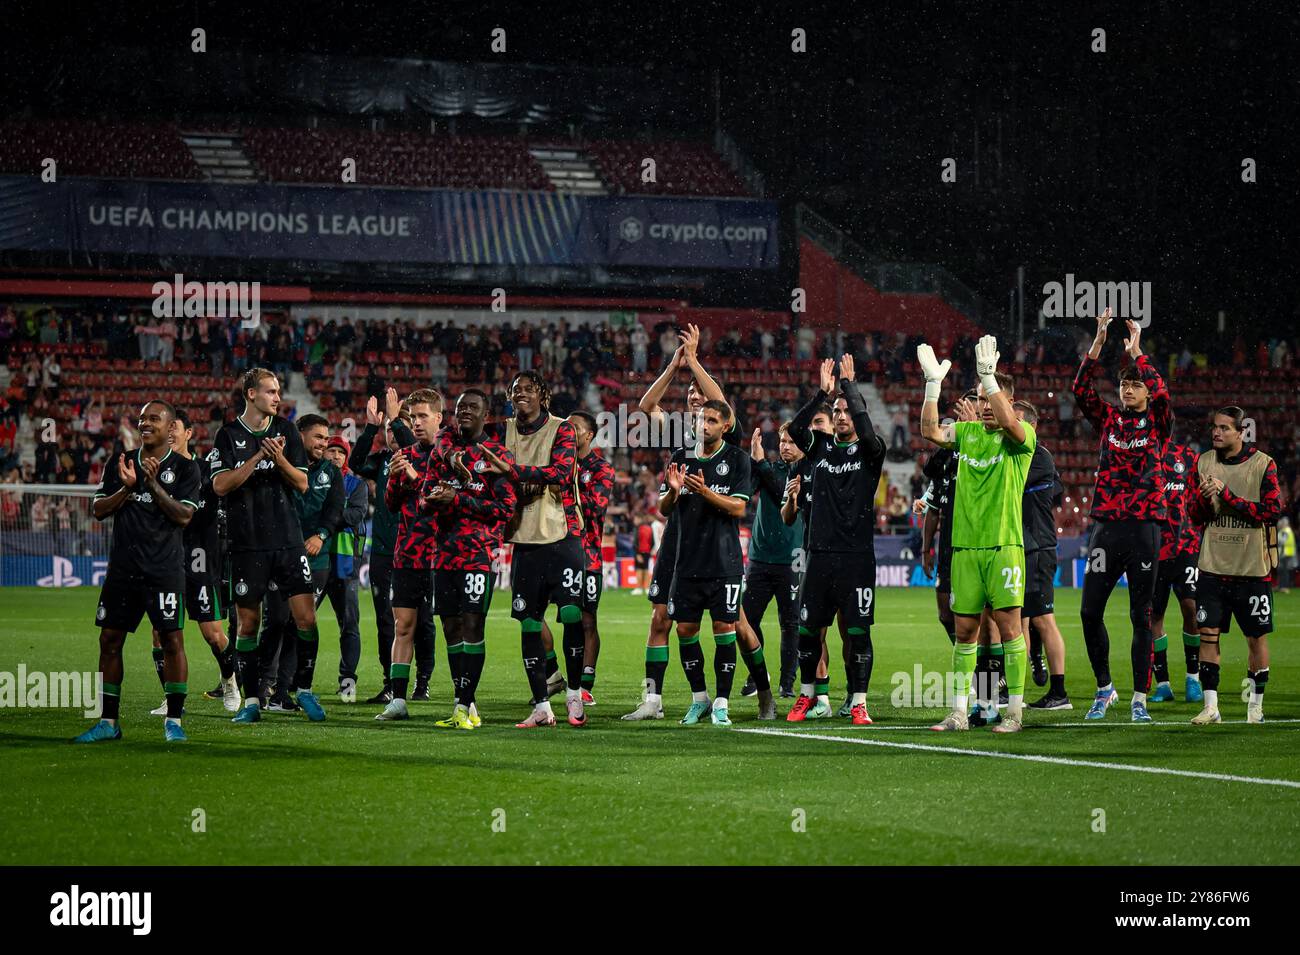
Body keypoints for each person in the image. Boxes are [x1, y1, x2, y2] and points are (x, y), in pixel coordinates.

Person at [919, 336, 1035, 733]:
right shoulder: (967, 436)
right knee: (964, 633)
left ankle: (1014, 712)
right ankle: (958, 712)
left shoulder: (1022, 440)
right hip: (965, 551)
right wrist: (932, 386)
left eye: (992, 399)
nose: (986, 406)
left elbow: (1008, 421)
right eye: (982, 400)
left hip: (1003, 549)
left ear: (1007, 402)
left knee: (1008, 630)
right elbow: (929, 429)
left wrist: (989, 378)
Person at [74, 401, 201, 744]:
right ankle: (108, 722)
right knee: (109, 641)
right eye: (142, 418)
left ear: (171, 427)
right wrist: (128, 488)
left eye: (154, 419)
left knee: (172, 641)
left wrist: (152, 484)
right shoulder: (121, 462)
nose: (145, 423)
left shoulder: (187, 470)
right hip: (123, 571)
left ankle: (174, 721)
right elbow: (99, 508)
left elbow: (184, 516)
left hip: (164, 571)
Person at [1072, 308, 1172, 723]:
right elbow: (1081, 390)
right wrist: (1098, 342)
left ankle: (1140, 699)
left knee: (1141, 615)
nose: (1129, 389)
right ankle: (1104, 688)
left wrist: (1138, 352)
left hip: (1145, 528)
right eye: (1125, 384)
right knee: (1089, 611)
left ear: (1146, 392)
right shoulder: (1110, 419)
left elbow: (1164, 394)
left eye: (1136, 385)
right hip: (1106, 529)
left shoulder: (1158, 421)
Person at [209, 367, 325, 725]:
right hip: (247, 544)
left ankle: (303, 689)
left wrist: (280, 459)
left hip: (288, 541)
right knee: (247, 625)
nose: (278, 397)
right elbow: (220, 486)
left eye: (278, 391)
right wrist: (259, 457)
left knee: (306, 618)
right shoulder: (227, 435)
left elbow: (303, 483)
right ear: (251, 394)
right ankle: (252, 699)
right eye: (271, 392)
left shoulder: (287, 431)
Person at [480, 371, 585, 728]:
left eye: (528, 389)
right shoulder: (501, 430)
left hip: (562, 535)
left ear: (543, 395)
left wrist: (509, 471)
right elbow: (470, 444)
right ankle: (542, 705)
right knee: (528, 623)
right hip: (524, 539)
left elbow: (558, 472)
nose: (520, 394)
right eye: (514, 390)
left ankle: (574, 695)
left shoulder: (563, 429)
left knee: (571, 615)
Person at [786, 356, 887, 725]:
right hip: (819, 556)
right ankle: (807, 695)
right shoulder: (821, 447)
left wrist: (851, 387)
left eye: (846, 412)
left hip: (857, 557)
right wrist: (822, 394)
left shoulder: (871, 452)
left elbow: (865, 427)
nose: (841, 416)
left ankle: (859, 702)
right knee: (809, 630)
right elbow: (795, 427)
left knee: (858, 631)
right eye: (837, 411)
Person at [421, 389, 517, 729]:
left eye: (472, 407)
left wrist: (458, 500)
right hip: (443, 553)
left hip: (477, 554)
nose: (464, 412)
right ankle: (466, 702)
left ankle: (462, 704)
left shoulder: (494, 455)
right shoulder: (441, 452)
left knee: (473, 625)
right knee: (449, 627)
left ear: (485, 415)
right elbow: (424, 496)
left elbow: (505, 509)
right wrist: (434, 498)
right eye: (460, 407)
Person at [658, 400, 757, 725]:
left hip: (723, 561)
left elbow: (738, 508)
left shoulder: (738, 459)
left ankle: (722, 704)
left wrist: (705, 492)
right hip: (686, 562)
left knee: (723, 628)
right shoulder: (680, 458)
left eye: (712, 420)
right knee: (685, 630)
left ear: (725, 426)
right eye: (701, 418)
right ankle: (699, 698)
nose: (705, 424)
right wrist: (673, 492)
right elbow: (664, 508)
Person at [1186, 407, 1283, 725]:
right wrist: (1203, 499)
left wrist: (1227, 495)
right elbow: (1195, 516)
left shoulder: (1263, 464)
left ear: (1241, 432)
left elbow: (1270, 511)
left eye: (1225, 428)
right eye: (1214, 427)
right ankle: (1211, 707)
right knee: (1208, 636)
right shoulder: (1202, 463)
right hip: (1213, 566)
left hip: (1252, 569)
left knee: (1255, 639)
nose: (1216, 433)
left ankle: (1255, 707)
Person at [146, 408, 240, 716]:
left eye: (176, 428)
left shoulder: (203, 469)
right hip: (166, 558)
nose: (170, 432)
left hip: (200, 558)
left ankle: (230, 680)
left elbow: (214, 507)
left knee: (212, 633)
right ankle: (170, 698)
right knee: (161, 632)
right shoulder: (155, 469)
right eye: (167, 427)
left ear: (189, 433)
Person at [257, 413, 344, 712]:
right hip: (281, 554)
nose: (324, 443)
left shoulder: (332, 473)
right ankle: (260, 688)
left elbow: (335, 510)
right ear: (300, 435)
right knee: (275, 621)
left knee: (299, 624)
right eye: (318, 437)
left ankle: (283, 692)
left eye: (326, 437)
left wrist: (321, 535)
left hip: (316, 560)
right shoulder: (283, 468)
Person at [348, 391, 429, 704]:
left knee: (421, 620)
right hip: (384, 554)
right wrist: (371, 428)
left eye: (397, 430)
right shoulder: (382, 462)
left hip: (416, 552)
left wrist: (396, 419)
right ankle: (390, 682)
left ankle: (422, 682)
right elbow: (355, 462)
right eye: (388, 432)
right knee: (386, 621)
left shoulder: (422, 459)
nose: (391, 435)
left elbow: (414, 449)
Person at [375, 390, 445, 722]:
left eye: (422, 416)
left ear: (439, 418)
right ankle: (398, 700)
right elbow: (391, 503)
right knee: (403, 625)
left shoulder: (449, 455)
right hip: (407, 554)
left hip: (444, 556)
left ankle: (464, 699)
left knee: (454, 626)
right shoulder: (403, 454)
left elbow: (438, 496)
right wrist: (395, 479)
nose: (416, 422)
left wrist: (413, 477)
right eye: (412, 416)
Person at [1014, 400, 1072, 712]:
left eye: (1018, 421)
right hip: (1020, 546)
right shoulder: (1024, 454)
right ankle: (1013, 691)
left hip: (1036, 547)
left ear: (1033, 427)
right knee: (1019, 620)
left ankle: (1059, 692)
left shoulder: (1038, 457)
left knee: (1042, 619)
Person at [742, 423, 804, 698]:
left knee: (790, 624)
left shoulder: (809, 473)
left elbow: (782, 492)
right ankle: (758, 675)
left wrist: (761, 464)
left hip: (793, 559)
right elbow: (746, 491)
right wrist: (752, 463)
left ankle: (787, 684)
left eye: (791, 442)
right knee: (746, 619)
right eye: (782, 440)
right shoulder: (769, 470)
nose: (785, 446)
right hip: (759, 557)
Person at [1147, 440, 1205, 704]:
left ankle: (1193, 679)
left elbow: (1201, 500)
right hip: (1153, 550)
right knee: (1153, 616)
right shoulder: (1140, 454)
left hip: (1186, 545)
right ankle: (1163, 684)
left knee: (1191, 609)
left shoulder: (1187, 456)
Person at [569, 411, 615, 706]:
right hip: (553, 551)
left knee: (586, 621)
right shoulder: (555, 462)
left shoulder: (601, 468)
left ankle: (585, 683)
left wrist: (564, 488)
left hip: (587, 557)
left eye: (573, 428)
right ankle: (551, 675)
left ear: (588, 435)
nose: (567, 431)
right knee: (530, 615)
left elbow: (594, 508)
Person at [320, 435, 369, 702]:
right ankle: (289, 680)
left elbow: (356, 516)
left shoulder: (356, 484)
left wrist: (326, 515)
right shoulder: (314, 478)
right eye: (331, 450)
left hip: (344, 562)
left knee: (349, 624)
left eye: (341, 451)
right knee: (298, 621)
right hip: (317, 560)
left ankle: (348, 681)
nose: (336, 455)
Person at [1276, 516, 1295, 594]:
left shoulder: (1285, 531)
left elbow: (1282, 542)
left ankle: (1284, 587)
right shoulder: (1286, 530)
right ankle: (1281, 586)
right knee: (1282, 571)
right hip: (1286, 553)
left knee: (1284, 571)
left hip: (1284, 554)